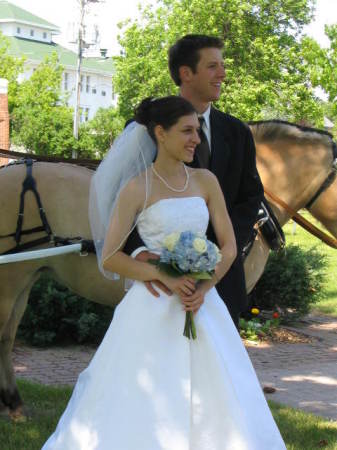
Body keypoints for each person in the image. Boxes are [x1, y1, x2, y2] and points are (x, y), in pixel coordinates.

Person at [42, 96, 286, 450]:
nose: (196, 139)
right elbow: (109, 256)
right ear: (160, 133)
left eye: (197, 131)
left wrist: (204, 286)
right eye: (186, 131)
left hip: (203, 304)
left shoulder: (206, 181)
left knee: (219, 389)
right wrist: (165, 275)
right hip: (151, 308)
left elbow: (229, 246)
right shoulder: (136, 188)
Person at [124, 35, 264, 327]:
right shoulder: (145, 131)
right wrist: (141, 253)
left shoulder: (237, 132)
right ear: (186, 73)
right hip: (160, 282)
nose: (223, 73)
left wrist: (215, 256)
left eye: (222, 65)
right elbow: (122, 197)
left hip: (221, 283)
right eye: (213, 66)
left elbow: (250, 197)